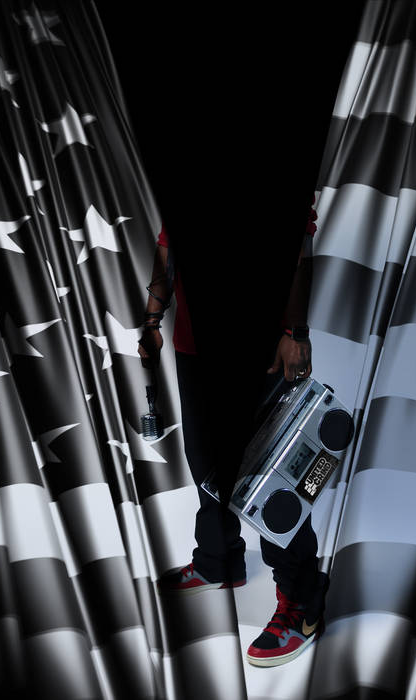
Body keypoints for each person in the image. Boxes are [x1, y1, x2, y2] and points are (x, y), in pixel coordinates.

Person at [137, 199, 329, 667]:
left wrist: (297, 332)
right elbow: (169, 242)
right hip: (193, 344)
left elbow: (299, 245)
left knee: (272, 477)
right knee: (205, 463)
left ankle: (302, 601)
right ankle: (218, 560)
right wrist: (152, 317)